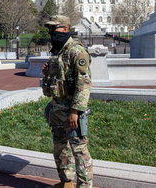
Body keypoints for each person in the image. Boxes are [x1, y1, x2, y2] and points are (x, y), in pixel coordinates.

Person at [42, 16, 93, 188]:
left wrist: (75, 111)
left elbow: (84, 84)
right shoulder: (58, 51)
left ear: (65, 29)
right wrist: (47, 73)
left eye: (54, 28)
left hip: (72, 111)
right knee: (60, 148)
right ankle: (67, 182)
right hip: (57, 108)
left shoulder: (76, 51)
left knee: (79, 151)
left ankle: (84, 186)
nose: (51, 33)